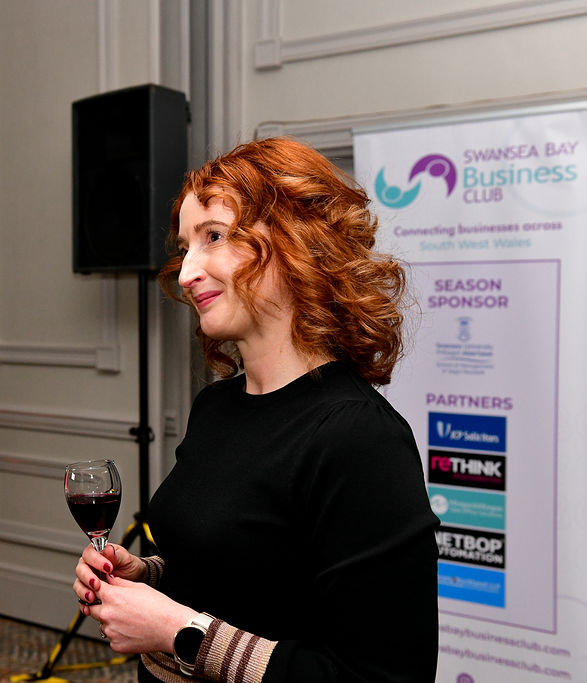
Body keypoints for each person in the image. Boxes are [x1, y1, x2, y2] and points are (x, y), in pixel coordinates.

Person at [72, 136, 440, 682]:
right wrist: (148, 579)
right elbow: (248, 574)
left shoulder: (360, 436)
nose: (185, 273)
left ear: (296, 242)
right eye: (186, 247)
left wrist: (178, 631)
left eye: (214, 237)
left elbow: (382, 678)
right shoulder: (217, 406)